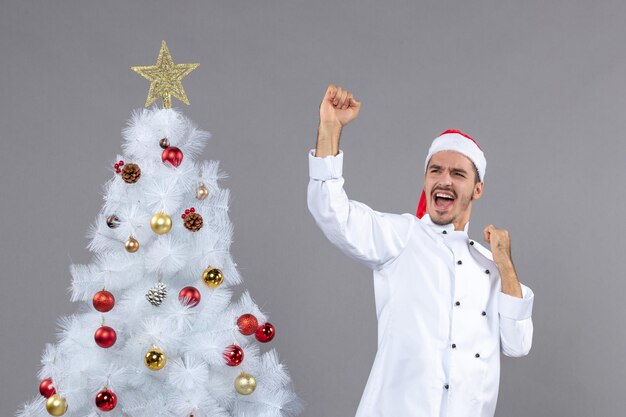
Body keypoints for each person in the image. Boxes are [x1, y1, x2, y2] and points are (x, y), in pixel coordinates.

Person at [307, 85, 534, 417]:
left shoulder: (491, 269)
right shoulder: (402, 236)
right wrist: (330, 129)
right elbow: (332, 211)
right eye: (435, 170)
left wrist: (505, 262)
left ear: (477, 189)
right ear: (426, 180)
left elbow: (518, 344)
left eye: (458, 174)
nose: (444, 180)